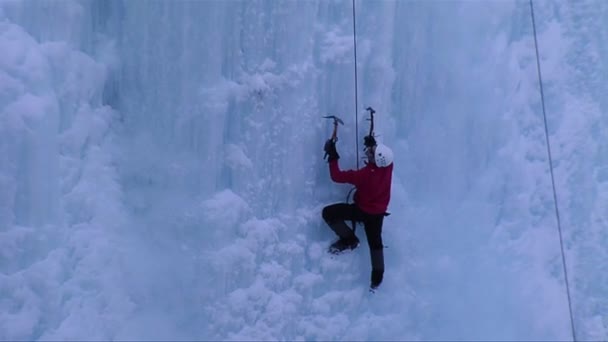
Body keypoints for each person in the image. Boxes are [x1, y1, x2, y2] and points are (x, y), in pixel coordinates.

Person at [322, 135, 394, 290]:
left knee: (328, 213)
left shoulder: (364, 176)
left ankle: (349, 240)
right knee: (375, 245)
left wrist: (333, 157)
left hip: (362, 211)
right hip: (378, 213)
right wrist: (372, 144)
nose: (368, 151)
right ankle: (376, 281)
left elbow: (337, 176)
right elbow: (381, 157)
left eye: (371, 152)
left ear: (375, 160)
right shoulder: (388, 166)